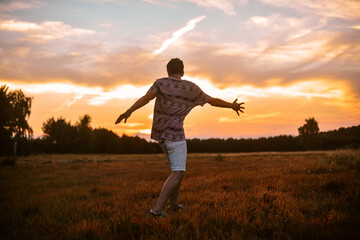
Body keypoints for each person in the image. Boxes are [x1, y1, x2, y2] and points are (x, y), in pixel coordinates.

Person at [115, 58, 244, 217]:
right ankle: (156, 211)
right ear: (182, 72)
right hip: (175, 136)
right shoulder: (192, 88)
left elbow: (146, 98)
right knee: (178, 173)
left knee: (177, 168)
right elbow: (212, 101)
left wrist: (129, 111)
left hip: (161, 136)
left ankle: (174, 204)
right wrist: (232, 105)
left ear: (168, 71)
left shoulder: (160, 83)